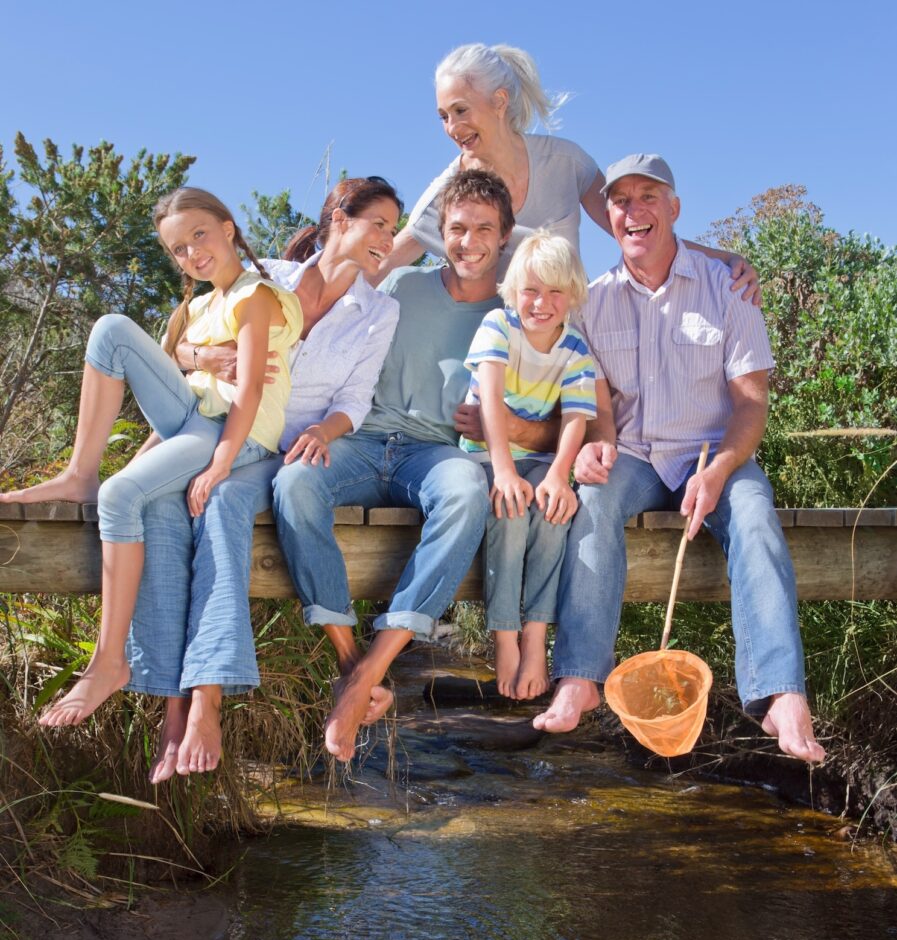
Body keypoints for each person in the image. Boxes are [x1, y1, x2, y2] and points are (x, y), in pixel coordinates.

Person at [535, 153, 825, 764]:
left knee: (752, 516)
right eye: (620, 200)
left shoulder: (730, 287)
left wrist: (719, 470)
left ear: (673, 209)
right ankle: (581, 678)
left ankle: (780, 694)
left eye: (648, 197)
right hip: (637, 455)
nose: (633, 211)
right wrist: (596, 445)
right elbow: (598, 396)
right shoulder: (592, 302)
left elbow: (751, 399)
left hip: (714, 454)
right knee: (593, 501)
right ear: (607, 216)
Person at [273, 169, 561, 763]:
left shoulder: (517, 314)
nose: (470, 240)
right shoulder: (401, 286)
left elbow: (567, 413)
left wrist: (506, 427)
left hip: (434, 455)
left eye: (485, 228)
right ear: (441, 232)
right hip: (359, 437)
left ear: (504, 236)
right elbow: (320, 294)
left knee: (465, 494)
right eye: (457, 228)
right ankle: (354, 668)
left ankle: (371, 668)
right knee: (295, 482)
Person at [126, 177, 404, 782]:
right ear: (338, 218)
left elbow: (355, 398)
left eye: (393, 226)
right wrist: (208, 358)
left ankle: (208, 698)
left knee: (222, 502)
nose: (388, 237)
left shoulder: (381, 310)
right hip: (227, 431)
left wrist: (325, 434)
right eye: (377, 223)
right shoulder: (265, 275)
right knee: (165, 513)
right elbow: (172, 347)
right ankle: (174, 707)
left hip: (290, 449)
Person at [1, 187, 303, 730]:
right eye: (178, 249)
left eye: (199, 235)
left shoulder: (255, 296)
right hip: (191, 424)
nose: (191, 253)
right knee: (111, 329)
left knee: (120, 497)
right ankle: (79, 473)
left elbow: (251, 392)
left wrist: (219, 463)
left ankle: (109, 661)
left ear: (228, 228)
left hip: (235, 434)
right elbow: (170, 380)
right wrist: (194, 358)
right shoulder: (194, 308)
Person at [378, 42, 760, 302]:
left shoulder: (565, 163)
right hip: (492, 358)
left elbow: (634, 230)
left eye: (460, 110)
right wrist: (320, 294)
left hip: (565, 344)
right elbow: (384, 262)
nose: (451, 127)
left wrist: (722, 259)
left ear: (499, 101)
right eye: (443, 116)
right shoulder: (448, 194)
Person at [460, 229, 601, 701]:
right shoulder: (498, 326)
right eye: (531, 291)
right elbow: (491, 402)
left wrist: (560, 476)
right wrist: (503, 471)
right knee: (512, 507)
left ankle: (536, 634)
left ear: (573, 295)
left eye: (555, 292)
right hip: (486, 453)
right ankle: (504, 635)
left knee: (555, 511)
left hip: (540, 458)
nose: (542, 303)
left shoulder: (577, 350)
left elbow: (577, 418)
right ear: (514, 292)